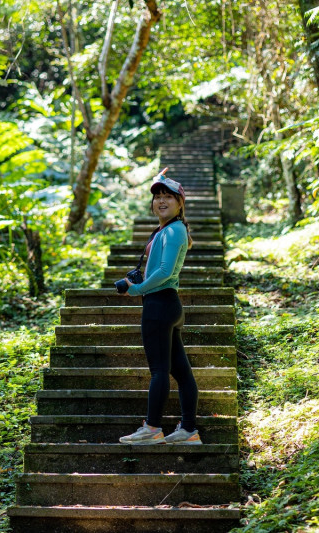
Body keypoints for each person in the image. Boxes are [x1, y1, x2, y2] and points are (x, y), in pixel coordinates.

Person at [118, 169, 201, 445]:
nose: (162, 201)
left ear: (180, 203)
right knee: (180, 371)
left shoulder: (174, 229)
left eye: (168, 196)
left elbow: (165, 270)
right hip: (167, 305)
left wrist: (138, 289)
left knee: (159, 371)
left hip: (159, 304)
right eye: (157, 197)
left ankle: (153, 428)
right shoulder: (170, 229)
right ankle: (188, 430)